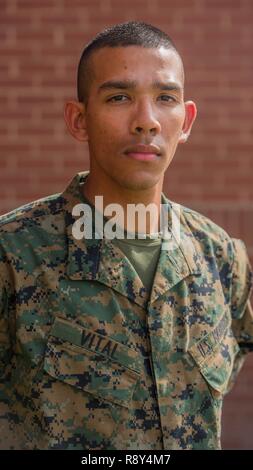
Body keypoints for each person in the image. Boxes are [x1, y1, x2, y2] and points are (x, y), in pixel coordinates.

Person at [0, 21, 252, 451]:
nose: (146, 122)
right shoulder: (12, 254)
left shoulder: (221, 257)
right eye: (119, 97)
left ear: (186, 120)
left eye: (165, 99)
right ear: (79, 120)